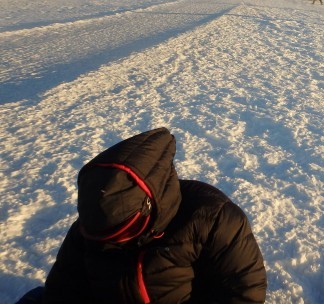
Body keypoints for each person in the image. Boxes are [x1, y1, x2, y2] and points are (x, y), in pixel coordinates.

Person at [20, 128, 267, 304]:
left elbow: (244, 291)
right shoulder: (95, 224)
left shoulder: (212, 217)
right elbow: (64, 287)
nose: (114, 242)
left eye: (125, 230)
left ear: (149, 207)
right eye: (103, 236)